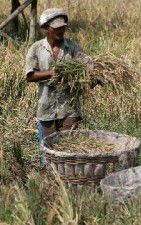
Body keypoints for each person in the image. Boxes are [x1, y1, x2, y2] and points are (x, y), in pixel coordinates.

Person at [25, 8, 100, 165]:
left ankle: (68, 184)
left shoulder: (73, 48)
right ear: (46, 28)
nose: (61, 30)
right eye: (56, 27)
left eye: (63, 27)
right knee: (48, 154)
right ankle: (50, 183)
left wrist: (94, 78)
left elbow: (88, 69)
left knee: (69, 151)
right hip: (46, 110)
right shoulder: (36, 48)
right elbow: (30, 75)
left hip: (69, 109)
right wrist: (55, 72)